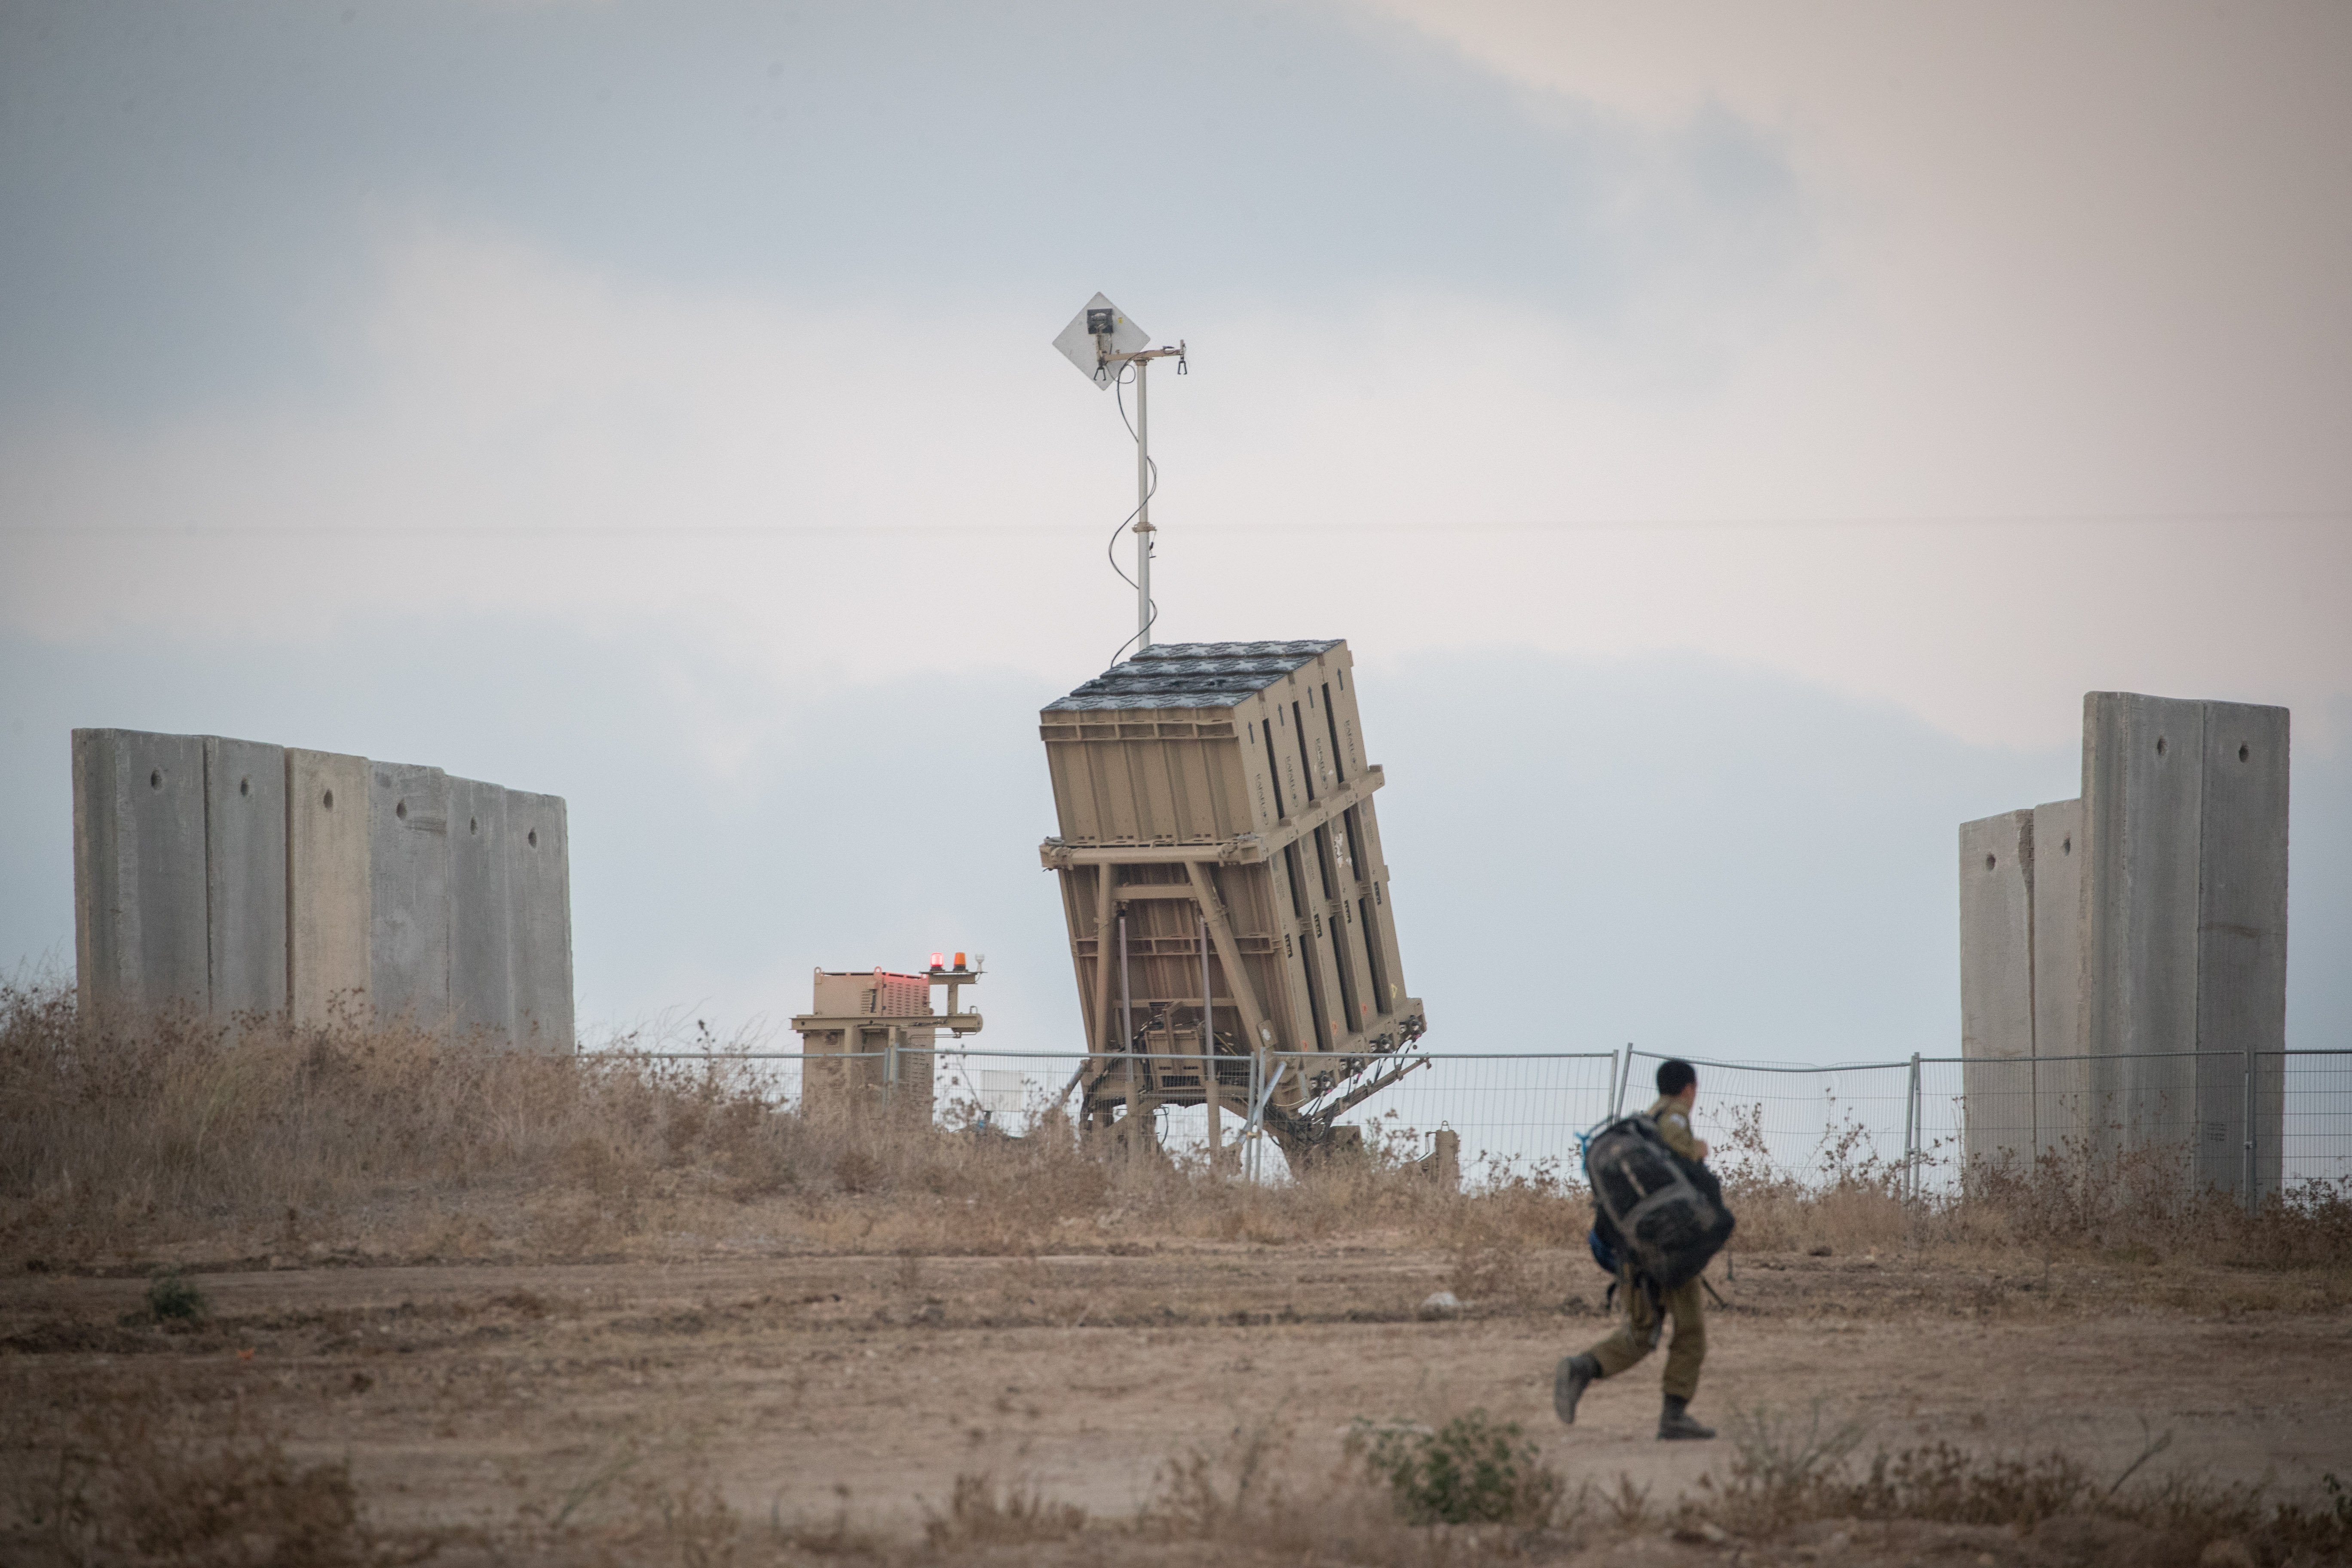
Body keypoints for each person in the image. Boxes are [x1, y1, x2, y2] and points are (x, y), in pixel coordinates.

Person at [1554, 1058, 1716, 1441]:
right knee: (1690, 1330)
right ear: (1690, 1089)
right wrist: (1699, 1150)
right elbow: (1682, 1157)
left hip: (1631, 1245)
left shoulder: (1641, 1123)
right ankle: (1674, 1415)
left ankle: (1582, 1368)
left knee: (1641, 1333)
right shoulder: (1675, 1118)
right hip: (1669, 1247)